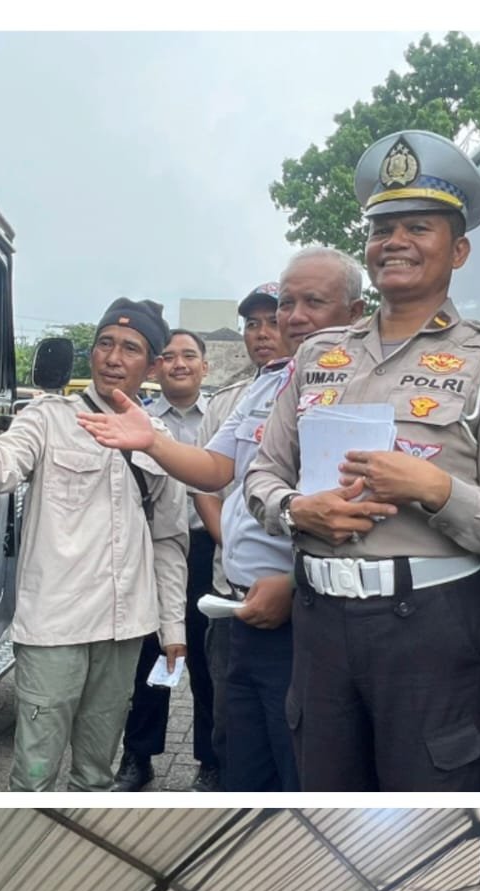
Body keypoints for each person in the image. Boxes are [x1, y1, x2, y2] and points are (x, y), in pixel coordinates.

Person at [244, 129, 480, 791]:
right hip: (320, 621)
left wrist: (436, 489)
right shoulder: (318, 355)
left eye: (419, 226)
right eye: (382, 227)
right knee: (324, 806)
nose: (395, 242)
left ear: (458, 249)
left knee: (430, 805)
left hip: (432, 628)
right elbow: (261, 474)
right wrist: (298, 510)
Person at [76, 250, 366, 790]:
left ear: (355, 310)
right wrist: (153, 441)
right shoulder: (266, 384)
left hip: (306, 611)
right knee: (241, 760)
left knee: (299, 766)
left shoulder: (363, 384)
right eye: (285, 305)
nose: (292, 317)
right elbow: (213, 469)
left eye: (312, 303)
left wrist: (296, 581)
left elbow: (361, 510)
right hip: (239, 605)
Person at [0, 300, 188, 791]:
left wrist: (173, 627)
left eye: (130, 349)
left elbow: (168, 540)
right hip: (54, 627)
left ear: (151, 367)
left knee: (97, 772)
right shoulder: (47, 418)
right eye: (105, 343)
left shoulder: (159, 439)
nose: (113, 356)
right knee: (34, 771)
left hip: (126, 627)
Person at [113, 329, 219, 793]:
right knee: (150, 659)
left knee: (207, 661)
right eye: (169, 357)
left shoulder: (221, 417)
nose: (179, 364)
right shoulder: (139, 420)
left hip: (209, 550)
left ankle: (212, 761)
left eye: (189, 356)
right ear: (156, 367)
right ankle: (138, 757)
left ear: (204, 367)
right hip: (153, 549)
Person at [194, 285, 291, 784]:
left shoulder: (321, 391)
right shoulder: (235, 398)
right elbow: (207, 477)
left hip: (291, 598)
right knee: (233, 725)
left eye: (272, 321)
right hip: (231, 589)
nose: (262, 333)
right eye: (252, 324)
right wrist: (228, 542)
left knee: (289, 736)